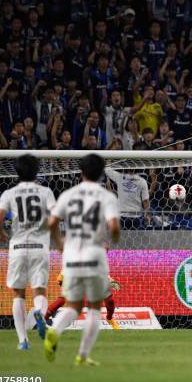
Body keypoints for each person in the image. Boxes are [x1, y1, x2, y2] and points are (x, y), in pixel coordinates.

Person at [45, 154, 121, 366]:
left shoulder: (68, 194)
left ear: (82, 172)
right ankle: (83, 355)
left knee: (72, 305)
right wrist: (113, 238)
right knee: (95, 307)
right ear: (101, 173)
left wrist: (61, 245)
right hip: (95, 253)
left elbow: (52, 222)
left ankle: (54, 330)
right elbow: (114, 227)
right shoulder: (107, 197)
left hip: (72, 254)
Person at [0, 154, 56, 350]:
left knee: (18, 294)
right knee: (40, 290)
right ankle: (38, 311)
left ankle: (23, 341)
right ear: (36, 171)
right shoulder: (45, 192)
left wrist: (2, 234)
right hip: (39, 246)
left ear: (17, 171)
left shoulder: (9, 193)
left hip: (18, 247)